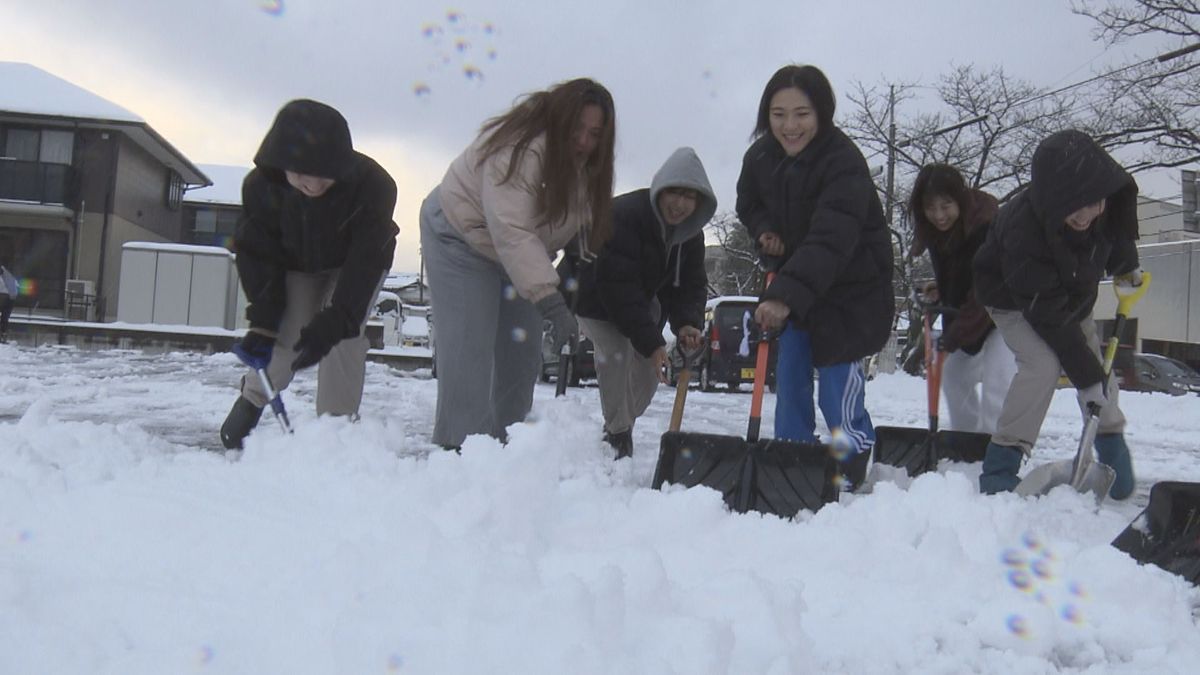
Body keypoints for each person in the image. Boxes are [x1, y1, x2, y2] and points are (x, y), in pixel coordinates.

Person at [419, 78, 616, 449]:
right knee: (468, 352)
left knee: (521, 356)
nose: (585, 142)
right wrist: (553, 304)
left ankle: (506, 453)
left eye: (595, 134)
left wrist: (578, 255)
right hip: (460, 235)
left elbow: (566, 226)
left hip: (517, 254)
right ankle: (457, 454)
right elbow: (512, 228)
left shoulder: (587, 168)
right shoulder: (522, 145)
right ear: (560, 118)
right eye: (578, 129)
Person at [735, 64, 894, 489]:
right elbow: (748, 203)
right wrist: (765, 228)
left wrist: (784, 295)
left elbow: (831, 238)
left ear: (822, 113)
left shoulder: (843, 162)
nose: (790, 126)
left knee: (836, 387)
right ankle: (794, 456)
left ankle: (852, 456)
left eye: (802, 113)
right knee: (790, 378)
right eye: (778, 113)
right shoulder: (761, 157)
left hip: (850, 291)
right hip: (795, 284)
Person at [220, 99, 399, 449]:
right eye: (302, 173)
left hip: (353, 264)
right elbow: (258, 254)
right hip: (295, 264)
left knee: (343, 340)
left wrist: (338, 318)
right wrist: (262, 321)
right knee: (287, 335)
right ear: (281, 162)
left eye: (324, 174)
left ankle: (335, 429)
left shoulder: (374, 186)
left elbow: (365, 259)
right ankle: (254, 398)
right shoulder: (261, 188)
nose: (314, 185)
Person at [973, 129, 1143, 498]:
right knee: (1043, 365)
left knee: (1098, 371)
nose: (1085, 215)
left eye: (1093, 202)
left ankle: (1111, 448)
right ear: (1052, 197)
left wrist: (1128, 267)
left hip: (1073, 297)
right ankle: (1001, 464)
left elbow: (1118, 238)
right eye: (1073, 205)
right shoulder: (1023, 228)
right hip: (1016, 299)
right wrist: (1086, 378)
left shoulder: (1105, 208)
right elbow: (1047, 315)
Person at [569, 147, 716, 459]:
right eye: (674, 192)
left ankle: (620, 422)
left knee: (651, 370)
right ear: (659, 188)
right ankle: (618, 436)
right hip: (591, 294)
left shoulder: (691, 235)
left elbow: (689, 285)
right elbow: (618, 288)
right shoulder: (623, 216)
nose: (679, 204)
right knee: (616, 351)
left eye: (689, 197)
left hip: (640, 300)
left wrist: (688, 323)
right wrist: (651, 341)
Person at [909, 164, 1016, 435]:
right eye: (930, 208)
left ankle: (994, 453)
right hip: (973, 317)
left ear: (961, 200)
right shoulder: (939, 231)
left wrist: (954, 334)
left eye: (946, 206)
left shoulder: (986, 228)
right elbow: (964, 274)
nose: (938, 215)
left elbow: (985, 291)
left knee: (997, 385)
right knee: (954, 376)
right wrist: (943, 290)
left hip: (1007, 315)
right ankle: (966, 443)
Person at [0, 263, 16, 343]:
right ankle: (3, 334)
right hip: (9, 298)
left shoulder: (5, 277)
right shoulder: (10, 277)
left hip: (5, 297)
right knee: (4, 318)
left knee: (4, 318)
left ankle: (3, 334)